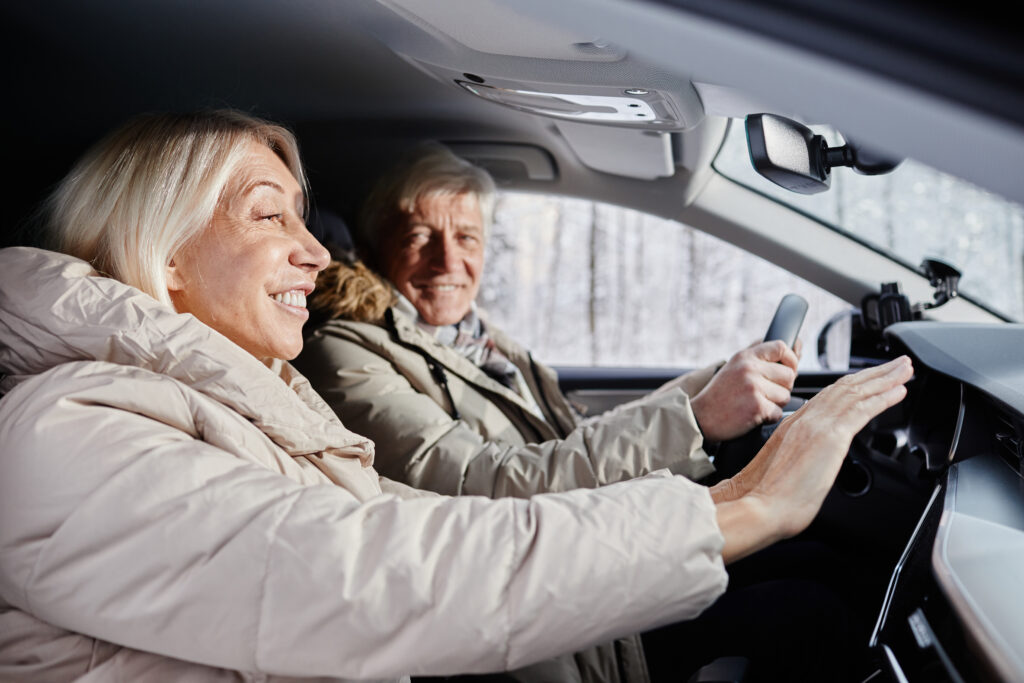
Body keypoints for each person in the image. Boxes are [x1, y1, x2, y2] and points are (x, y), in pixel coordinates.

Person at [0, 110, 913, 683]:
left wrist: (702, 424)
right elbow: (388, 559)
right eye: (269, 213)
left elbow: (383, 524)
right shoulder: (63, 429)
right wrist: (735, 506)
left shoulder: (251, 401)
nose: (318, 255)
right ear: (163, 253)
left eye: (468, 236)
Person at [295, 142, 802, 500]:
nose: (448, 262)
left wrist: (708, 385)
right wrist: (696, 421)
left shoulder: (476, 338)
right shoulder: (344, 351)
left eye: (467, 238)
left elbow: (567, 441)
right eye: (419, 237)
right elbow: (483, 482)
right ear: (374, 248)